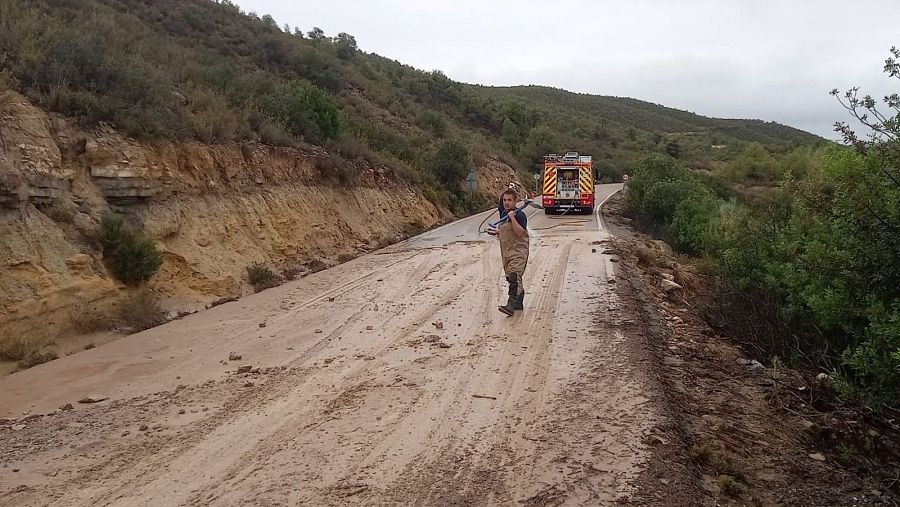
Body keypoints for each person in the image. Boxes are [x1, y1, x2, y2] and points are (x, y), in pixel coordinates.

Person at [487, 188, 529, 315]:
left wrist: (513, 218)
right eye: (505, 200)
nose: (506, 203)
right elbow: (507, 230)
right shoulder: (503, 214)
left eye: (509, 200)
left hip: (518, 251)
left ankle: (510, 304)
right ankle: (518, 302)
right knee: (509, 277)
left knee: (514, 277)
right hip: (506, 251)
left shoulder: (520, 215)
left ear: (515, 201)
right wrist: (497, 232)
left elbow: (520, 233)